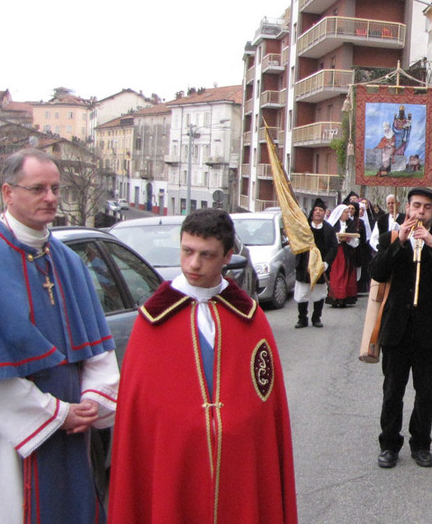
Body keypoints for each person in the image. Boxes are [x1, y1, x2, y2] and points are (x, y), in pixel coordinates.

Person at [0, 148, 119, 523]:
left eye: (55, 189)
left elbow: (98, 349)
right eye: (38, 188)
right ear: (8, 193)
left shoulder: (67, 261)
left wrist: (93, 401)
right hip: (5, 433)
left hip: (72, 427)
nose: (50, 197)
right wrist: (55, 413)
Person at [108, 208, 298, 524]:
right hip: (172, 461)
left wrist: (236, 425)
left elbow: (265, 401)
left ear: (227, 256)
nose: (194, 263)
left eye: (206, 255)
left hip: (238, 465)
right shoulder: (152, 320)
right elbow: (139, 413)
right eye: (187, 251)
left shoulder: (249, 317)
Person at [369, 187, 432, 469]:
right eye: (415, 206)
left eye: (426, 208)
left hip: (430, 331)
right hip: (396, 329)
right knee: (392, 390)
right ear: (407, 209)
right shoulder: (391, 238)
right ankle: (389, 444)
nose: (419, 212)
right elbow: (376, 272)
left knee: (425, 392)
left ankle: (421, 444)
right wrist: (399, 241)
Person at [293, 198, 338, 328]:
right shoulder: (304, 227)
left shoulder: (329, 229)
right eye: (316, 210)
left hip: (320, 266)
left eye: (321, 210)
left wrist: (326, 263)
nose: (318, 212)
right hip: (305, 265)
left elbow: (333, 247)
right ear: (312, 212)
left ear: (325, 213)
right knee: (303, 293)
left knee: (319, 293)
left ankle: (316, 318)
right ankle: (302, 318)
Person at [326, 204, 360, 307]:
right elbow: (329, 239)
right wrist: (338, 239)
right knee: (337, 275)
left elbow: (356, 240)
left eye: (348, 212)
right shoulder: (333, 224)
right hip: (337, 253)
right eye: (345, 212)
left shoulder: (351, 224)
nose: (347, 214)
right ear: (340, 213)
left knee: (347, 274)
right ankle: (335, 297)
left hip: (348, 252)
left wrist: (349, 240)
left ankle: (345, 298)